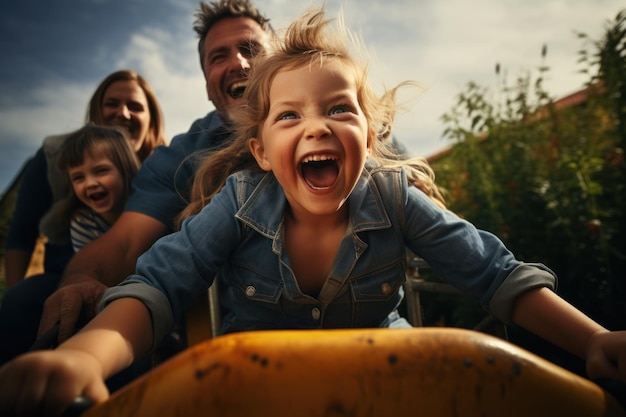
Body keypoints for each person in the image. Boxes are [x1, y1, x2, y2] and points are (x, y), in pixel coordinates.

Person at [2, 8, 624, 416]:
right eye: (290, 116)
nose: (317, 126)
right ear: (262, 149)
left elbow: (493, 273)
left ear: (373, 134)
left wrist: (594, 340)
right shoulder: (235, 201)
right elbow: (158, 282)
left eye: (339, 110)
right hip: (257, 387)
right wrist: (84, 356)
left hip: (386, 378)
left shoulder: (392, 194)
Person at [0, 69, 166, 363]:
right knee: (23, 303)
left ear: (152, 119)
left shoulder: (167, 168)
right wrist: (18, 295)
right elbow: (22, 232)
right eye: (111, 103)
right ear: (96, 111)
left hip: (143, 282)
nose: (123, 113)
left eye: (136, 106)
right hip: (63, 276)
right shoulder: (55, 156)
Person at [46, 124, 141, 252]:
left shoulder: (147, 209)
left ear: (125, 169)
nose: (90, 183)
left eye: (101, 171)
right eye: (78, 177)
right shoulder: (84, 223)